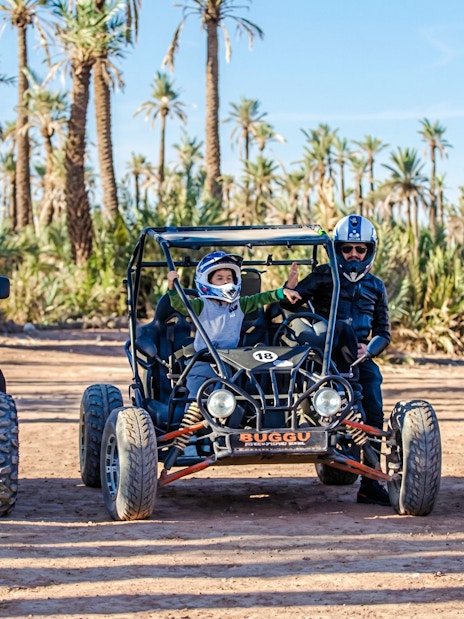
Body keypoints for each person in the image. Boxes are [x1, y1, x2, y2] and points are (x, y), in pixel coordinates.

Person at [287, 214, 391, 506]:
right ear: (337, 249)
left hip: (358, 360)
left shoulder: (376, 286)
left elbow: (383, 332)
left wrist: (370, 350)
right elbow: (290, 302)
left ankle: (370, 483)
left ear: (369, 251)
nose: (353, 255)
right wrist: (289, 288)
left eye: (360, 249)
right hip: (321, 354)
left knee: (373, 409)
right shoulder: (322, 276)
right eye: (347, 249)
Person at [167, 251, 301, 396]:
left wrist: (283, 291)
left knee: (226, 401)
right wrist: (172, 288)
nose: (226, 281)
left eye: (229, 278)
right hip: (202, 361)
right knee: (195, 400)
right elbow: (181, 306)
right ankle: (191, 417)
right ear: (207, 281)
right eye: (220, 278)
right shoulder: (201, 305)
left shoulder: (240, 304)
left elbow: (262, 298)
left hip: (228, 362)